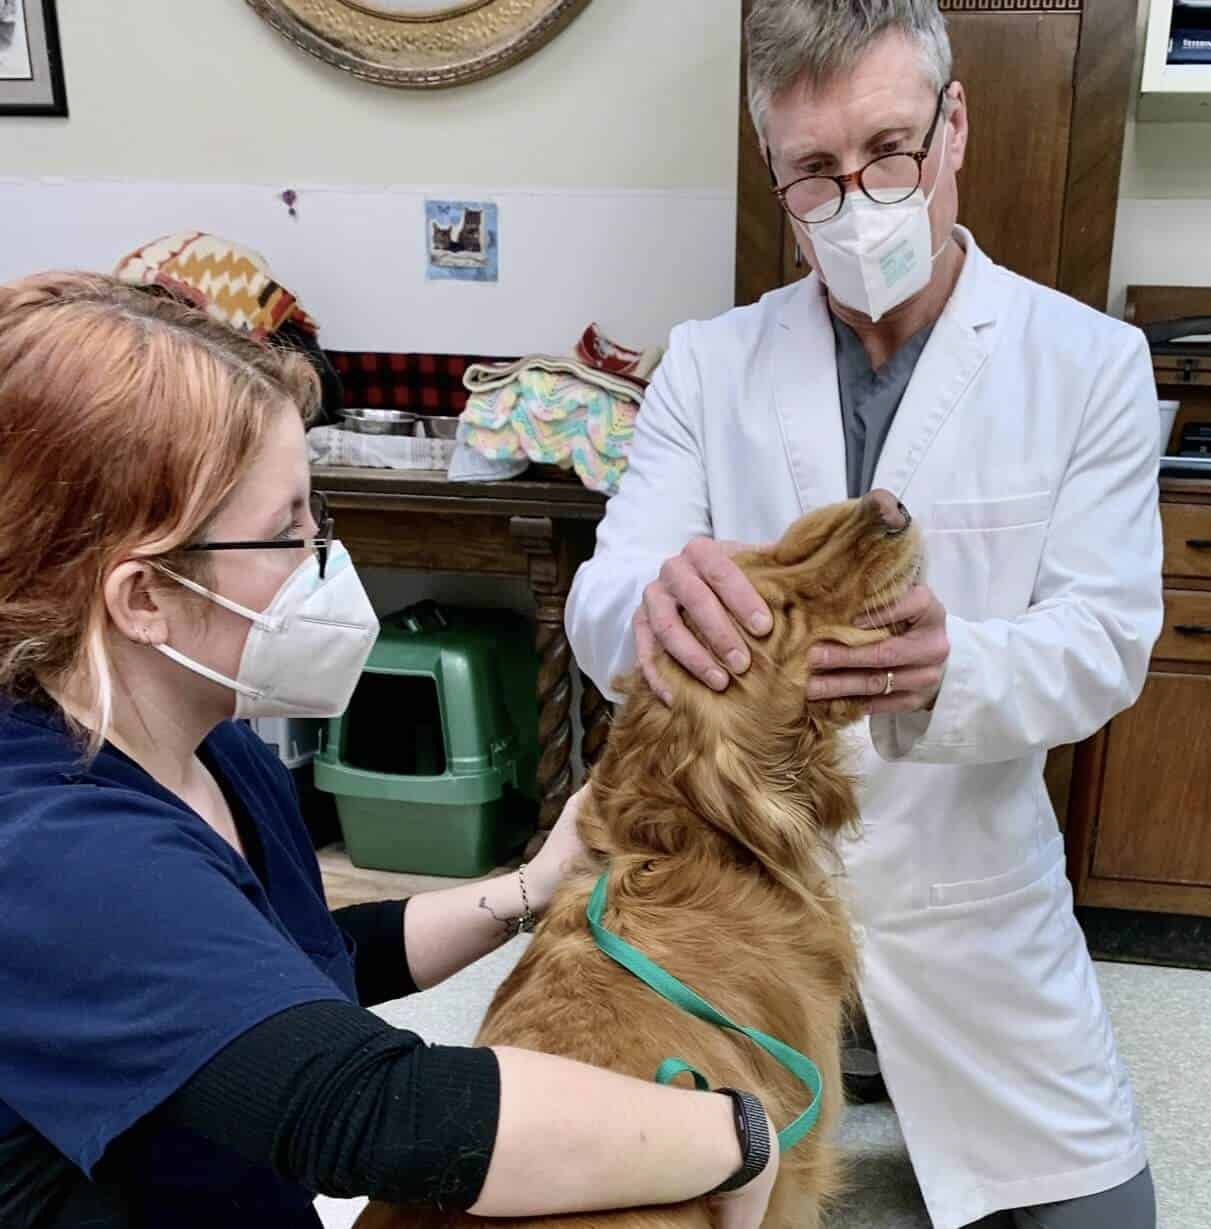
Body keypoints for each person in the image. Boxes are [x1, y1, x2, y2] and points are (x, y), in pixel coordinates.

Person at [0, 272, 778, 1228]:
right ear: (142, 596)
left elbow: (293, 965)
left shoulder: (206, 745)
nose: (324, 552)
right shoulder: (57, 850)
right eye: (286, 531)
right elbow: (371, 1110)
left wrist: (531, 886)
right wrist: (736, 1138)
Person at [564, 3, 1162, 1227]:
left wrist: (957, 667)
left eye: (890, 151)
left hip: (966, 884)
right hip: (728, 892)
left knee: (1105, 1220)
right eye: (816, 174)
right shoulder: (707, 362)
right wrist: (651, 605)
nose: (860, 199)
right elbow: (603, 597)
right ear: (778, 180)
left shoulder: (1086, 361)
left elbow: (1105, 641)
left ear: (955, 129)